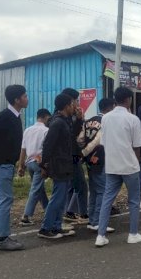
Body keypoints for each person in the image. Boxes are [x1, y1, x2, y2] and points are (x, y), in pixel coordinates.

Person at [95, 87, 141, 247]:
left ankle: (100, 235)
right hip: (129, 165)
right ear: (128, 100)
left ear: (115, 99)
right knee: (133, 201)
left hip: (111, 165)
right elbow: (137, 145)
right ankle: (133, 234)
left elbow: (103, 142)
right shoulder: (133, 119)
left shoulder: (105, 118)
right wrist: (137, 162)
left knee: (107, 199)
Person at [0, 84, 26, 251]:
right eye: (24, 96)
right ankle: (4, 238)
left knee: (1, 200)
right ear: (17, 99)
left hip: (4, 163)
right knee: (5, 200)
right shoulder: (5, 116)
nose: (26, 99)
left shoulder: (14, 116)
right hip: (1, 163)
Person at [37, 94, 77, 239]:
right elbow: (47, 145)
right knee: (57, 197)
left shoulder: (65, 121)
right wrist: (44, 165)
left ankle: (56, 226)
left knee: (62, 198)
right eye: (73, 103)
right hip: (59, 165)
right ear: (66, 106)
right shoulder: (57, 123)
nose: (75, 106)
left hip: (65, 164)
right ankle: (45, 228)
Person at [81, 98, 116, 234]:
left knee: (94, 191)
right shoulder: (106, 121)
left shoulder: (88, 121)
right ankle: (98, 222)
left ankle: (92, 220)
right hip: (102, 158)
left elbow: (80, 139)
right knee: (102, 191)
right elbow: (100, 141)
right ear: (110, 107)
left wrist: (84, 154)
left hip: (90, 159)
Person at [18, 108, 52, 226]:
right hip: (39, 164)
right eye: (49, 118)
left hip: (29, 164)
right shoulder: (46, 131)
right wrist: (46, 166)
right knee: (35, 189)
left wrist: (20, 166)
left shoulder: (27, 130)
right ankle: (26, 216)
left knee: (39, 189)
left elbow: (23, 150)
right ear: (46, 117)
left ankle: (48, 210)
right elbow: (47, 150)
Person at [61, 88, 88, 224]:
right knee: (81, 186)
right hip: (72, 156)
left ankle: (69, 212)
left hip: (72, 155)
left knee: (72, 186)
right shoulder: (63, 117)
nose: (78, 103)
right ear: (70, 101)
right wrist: (79, 120)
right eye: (76, 100)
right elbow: (72, 137)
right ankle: (83, 213)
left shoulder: (68, 116)